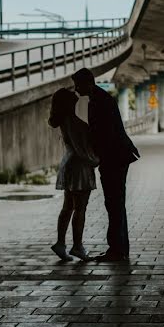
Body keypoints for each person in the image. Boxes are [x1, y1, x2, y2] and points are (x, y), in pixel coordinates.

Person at [72, 68, 139, 262]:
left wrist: (95, 158)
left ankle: (117, 250)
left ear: (88, 83)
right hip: (117, 157)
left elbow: (103, 134)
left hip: (114, 158)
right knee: (116, 203)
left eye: (78, 85)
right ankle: (120, 248)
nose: (76, 89)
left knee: (114, 203)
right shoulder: (101, 99)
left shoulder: (99, 102)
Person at [47, 87, 99, 262]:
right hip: (80, 167)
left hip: (69, 164)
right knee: (80, 208)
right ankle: (77, 246)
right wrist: (95, 161)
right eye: (73, 98)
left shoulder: (64, 121)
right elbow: (81, 148)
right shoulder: (74, 122)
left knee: (68, 206)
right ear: (68, 103)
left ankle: (61, 243)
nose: (76, 98)